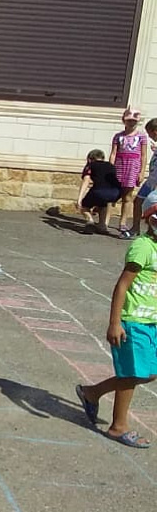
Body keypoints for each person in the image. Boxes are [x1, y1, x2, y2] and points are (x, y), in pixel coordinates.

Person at [74, 192, 157, 449]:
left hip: (151, 321)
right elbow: (122, 285)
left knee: (149, 373)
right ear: (152, 220)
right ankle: (118, 426)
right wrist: (115, 322)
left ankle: (92, 392)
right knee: (132, 374)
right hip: (133, 321)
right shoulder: (143, 247)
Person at [109, 106, 147, 238]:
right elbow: (113, 153)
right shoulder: (118, 136)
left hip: (133, 166)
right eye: (129, 120)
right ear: (124, 121)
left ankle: (123, 222)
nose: (131, 123)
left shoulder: (141, 137)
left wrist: (141, 171)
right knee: (113, 194)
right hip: (120, 164)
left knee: (128, 196)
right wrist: (111, 168)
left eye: (134, 121)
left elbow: (143, 155)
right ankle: (105, 220)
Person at [78, 148, 122, 234]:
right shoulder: (111, 165)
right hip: (116, 192)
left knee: (84, 206)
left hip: (99, 191)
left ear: (89, 159)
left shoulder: (91, 165)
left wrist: (79, 199)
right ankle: (102, 226)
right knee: (103, 205)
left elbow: (86, 180)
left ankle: (90, 221)